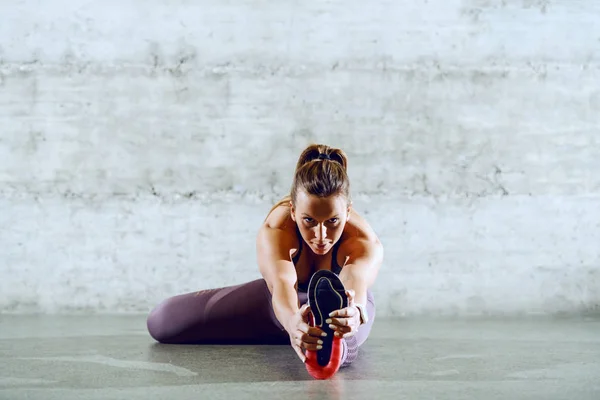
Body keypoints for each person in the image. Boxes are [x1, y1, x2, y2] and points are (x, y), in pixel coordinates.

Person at [146, 143, 384, 376]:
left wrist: (355, 312)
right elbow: (281, 284)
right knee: (163, 320)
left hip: (335, 315)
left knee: (346, 326)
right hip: (278, 304)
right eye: (309, 221)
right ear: (293, 211)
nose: (320, 236)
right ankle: (294, 331)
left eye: (332, 222)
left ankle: (333, 349)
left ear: (348, 212)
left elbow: (356, 281)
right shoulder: (277, 228)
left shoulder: (364, 240)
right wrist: (292, 322)